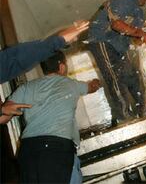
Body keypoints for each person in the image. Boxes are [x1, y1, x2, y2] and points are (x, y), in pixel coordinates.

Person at [0, 51, 101, 183]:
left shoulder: (26, 88)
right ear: (62, 67)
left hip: (28, 150)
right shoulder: (71, 84)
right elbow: (91, 87)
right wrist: (96, 82)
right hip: (56, 150)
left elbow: (3, 118)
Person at [87, 0, 146, 121]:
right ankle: (123, 117)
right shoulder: (126, 1)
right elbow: (116, 24)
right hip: (102, 40)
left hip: (119, 46)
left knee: (132, 76)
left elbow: (135, 36)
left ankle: (145, 110)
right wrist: (145, 35)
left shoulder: (138, 12)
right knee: (114, 77)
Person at [0, 20, 90, 122]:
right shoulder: (70, 86)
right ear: (62, 67)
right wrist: (58, 42)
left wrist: (58, 42)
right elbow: (14, 61)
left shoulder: (27, 88)